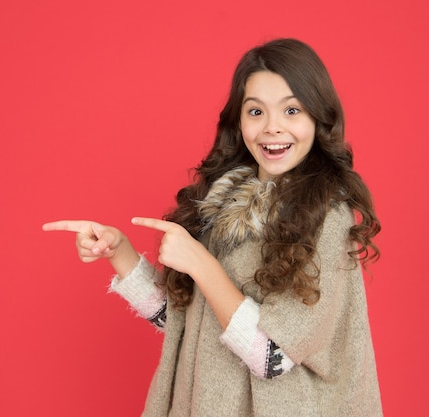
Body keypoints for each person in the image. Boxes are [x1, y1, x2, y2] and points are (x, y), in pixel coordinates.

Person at [43, 38, 383, 416]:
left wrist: (201, 264)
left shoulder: (327, 217)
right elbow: (190, 323)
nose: (272, 127)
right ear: (239, 121)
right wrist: (120, 252)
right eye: (256, 112)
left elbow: (271, 355)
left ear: (318, 118)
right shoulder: (223, 203)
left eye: (291, 110)